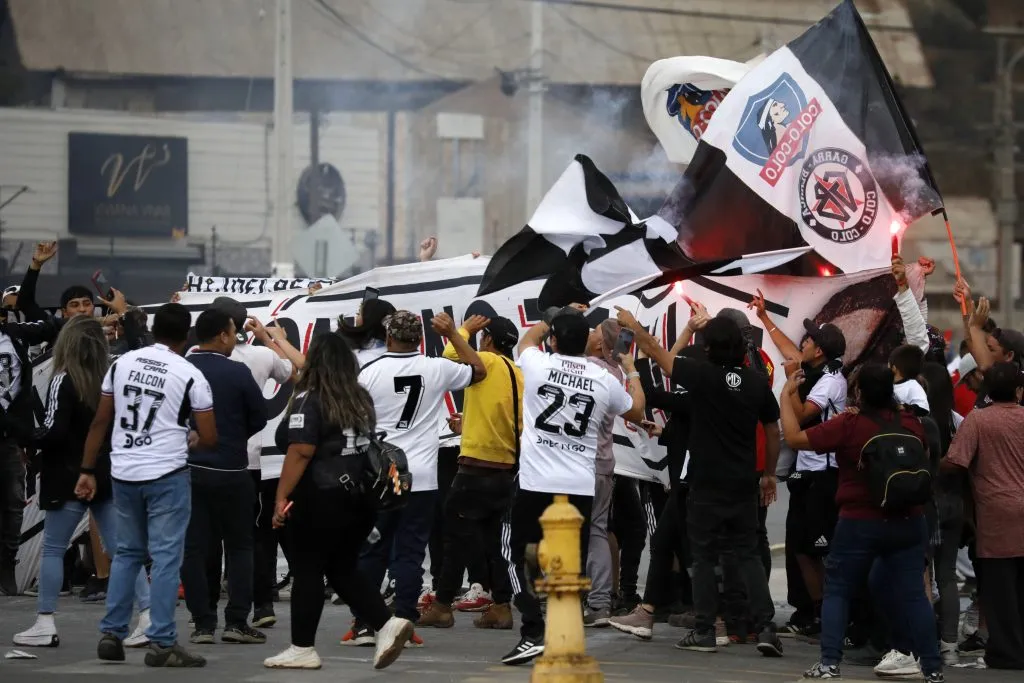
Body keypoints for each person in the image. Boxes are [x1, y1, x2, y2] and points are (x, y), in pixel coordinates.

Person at [616, 308, 783, 656]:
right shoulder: (755, 381)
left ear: (706, 348)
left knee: (704, 556)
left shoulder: (701, 375)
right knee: (749, 553)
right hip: (743, 481)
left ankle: (706, 629)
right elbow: (772, 427)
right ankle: (765, 627)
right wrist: (768, 473)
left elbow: (659, 357)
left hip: (706, 482)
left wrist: (634, 327)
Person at [75, 303, 218, 668]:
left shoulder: (121, 364)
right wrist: (193, 439)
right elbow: (210, 435)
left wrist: (87, 469)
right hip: (167, 473)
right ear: (186, 335)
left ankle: (112, 633)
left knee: (126, 554)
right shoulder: (190, 374)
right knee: (167, 557)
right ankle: (162, 643)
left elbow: (100, 422)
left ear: (154, 331)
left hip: (124, 472)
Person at [780, 363, 943, 682]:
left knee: (838, 588)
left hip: (860, 520)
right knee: (913, 594)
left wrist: (788, 397)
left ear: (859, 393)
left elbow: (796, 438)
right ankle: (933, 668)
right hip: (909, 520)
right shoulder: (911, 422)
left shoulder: (851, 424)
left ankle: (829, 664)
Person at [502, 307, 645, 666]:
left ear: (553, 340)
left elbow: (527, 340)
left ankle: (533, 630)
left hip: (537, 481)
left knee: (512, 552)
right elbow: (637, 410)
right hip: (580, 485)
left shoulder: (537, 363)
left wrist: (558, 312)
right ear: (587, 342)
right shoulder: (602, 378)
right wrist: (630, 369)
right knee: (569, 565)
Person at [264, 333, 415, 671]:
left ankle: (302, 647)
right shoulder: (360, 399)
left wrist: (281, 498)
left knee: (307, 571)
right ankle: (385, 623)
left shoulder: (311, 400)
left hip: (320, 500)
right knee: (342, 568)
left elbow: (300, 451)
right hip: (359, 501)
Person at [350, 310, 486, 645]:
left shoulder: (370, 372)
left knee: (373, 550)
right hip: (421, 477)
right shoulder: (436, 367)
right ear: (420, 338)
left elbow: (354, 424)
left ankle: (366, 624)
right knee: (410, 553)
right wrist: (455, 334)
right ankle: (405, 620)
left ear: (390, 337)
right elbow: (479, 370)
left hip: (385, 474)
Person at [12, 317, 150, 646]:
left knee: (54, 549)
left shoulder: (64, 379)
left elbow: (53, 431)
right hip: (105, 471)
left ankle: (45, 622)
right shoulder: (110, 377)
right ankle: (147, 615)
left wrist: (23, 435)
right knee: (122, 549)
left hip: (66, 475)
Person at [417, 314, 522, 630]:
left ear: (487, 339)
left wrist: (461, 331)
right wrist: (470, 425)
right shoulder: (516, 372)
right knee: (491, 542)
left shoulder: (486, 361)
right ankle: (502, 606)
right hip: (504, 468)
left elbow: (449, 357)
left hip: (475, 469)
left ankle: (442, 606)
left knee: (454, 539)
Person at [752, 290, 847, 638]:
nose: (802, 343)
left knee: (817, 551)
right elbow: (789, 353)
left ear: (820, 350)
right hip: (806, 475)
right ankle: (813, 611)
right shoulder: (815, 369)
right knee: (801, 548)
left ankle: (828, 614)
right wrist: (764, 317)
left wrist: (788, 391)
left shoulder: (831, 381)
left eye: (809, 339)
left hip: (822, 476)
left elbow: (805, 418)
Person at [182, 309, 269, 645]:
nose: (235, 339)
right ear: (221, 335)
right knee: (240, 547)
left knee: (194, 547)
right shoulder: (237, 372)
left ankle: (202, 623)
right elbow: (259, 417)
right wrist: (233, 437)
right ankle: (236, 621)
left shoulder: (184, 369)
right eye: (233, 333)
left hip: (189, 470)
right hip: (233, 470)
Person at [208, 297, 294, 628]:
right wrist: (269, 339)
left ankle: (207, 612)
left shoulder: (197, 359)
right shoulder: (261, 355)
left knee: (211, 539)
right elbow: (290, 372)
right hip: (251, 462)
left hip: (210, 460)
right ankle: (261, 607)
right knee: (251, 539)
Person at [943, 362, 1024, 670]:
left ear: (987, 390)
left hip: (996, 516)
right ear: (1019, 391)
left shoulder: (978, 420)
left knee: (1000, 590)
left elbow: (955, 461)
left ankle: (1006, 653)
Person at [0, 312, 62, 595]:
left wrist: (102, 321)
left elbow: (52, 323)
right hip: (12, 432)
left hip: (8, 440)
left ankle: (6, 567)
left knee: (14, 505)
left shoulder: (15, 334)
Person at [338, 298, 396, 367]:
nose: (356, 317)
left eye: (359, 313)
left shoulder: (358, 359)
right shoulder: (396, 350)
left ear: (369, 320)